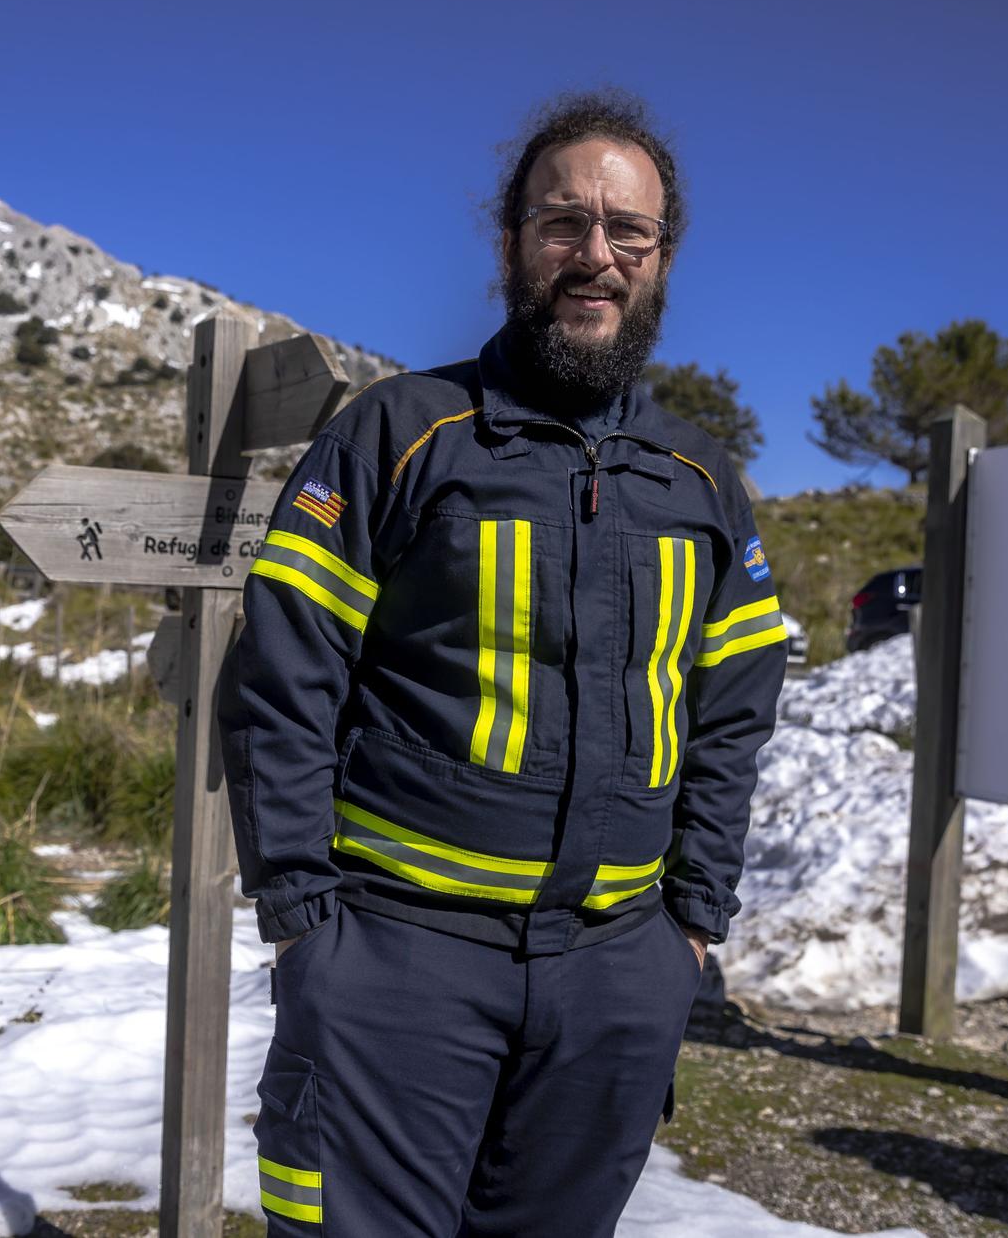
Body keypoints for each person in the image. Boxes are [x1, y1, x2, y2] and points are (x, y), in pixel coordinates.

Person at [217, 89, 787, 1236]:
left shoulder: (703, 483)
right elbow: (285, 674)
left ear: (660, 258)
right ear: (509, 242)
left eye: (628, 232)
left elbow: (732, 711)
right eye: (562, 222)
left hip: (618, 975)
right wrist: (304, 920)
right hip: (395, 959)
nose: (596, 256)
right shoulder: (400, 431)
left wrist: (688, 926)